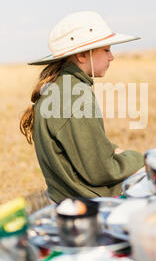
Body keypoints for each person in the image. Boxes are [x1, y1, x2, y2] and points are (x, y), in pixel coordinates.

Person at [20, 11, 144, 203]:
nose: (112, 57)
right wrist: (139, 159)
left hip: (66, 196)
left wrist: (115, 151)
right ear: (82, 55)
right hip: (90, 202)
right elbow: (100, 171)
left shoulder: (61, 86)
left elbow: (83, 144)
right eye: (106, 50)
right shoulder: (75, 95)